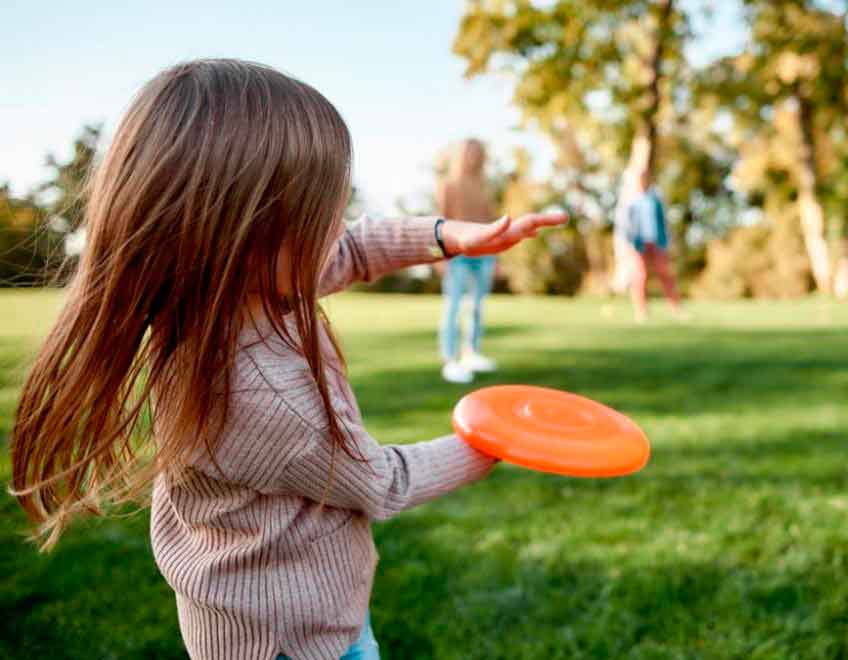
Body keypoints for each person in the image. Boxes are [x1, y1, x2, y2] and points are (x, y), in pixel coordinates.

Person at [7, 59, 565, 660]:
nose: (338, 226)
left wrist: (446, 235)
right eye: (321, 213)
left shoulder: (221, 290)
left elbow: (352, 248)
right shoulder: (260, 395)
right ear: (250, 232)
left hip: (268, 614)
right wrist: (492, 440)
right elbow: (380, 482)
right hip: (289, 642)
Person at [436, 139, 498, 384]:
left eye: (478, 152)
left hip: (483, 254)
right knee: (452, 306)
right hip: (457, 254)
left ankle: (471, 353)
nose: (474, 156)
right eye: (469, 152)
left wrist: (497, 256)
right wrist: (439, 257)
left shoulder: (484, 186)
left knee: (476, 307)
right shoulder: (448, 185)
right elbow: (439, 222)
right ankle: (450, 360)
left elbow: (490, 222)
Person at [614, 167, 683, 322]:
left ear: (648, 181)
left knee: (665, 274)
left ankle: (675, 308)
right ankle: (641, 311)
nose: (642, 182)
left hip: (657, 242)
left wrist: (667, 241)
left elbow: (663, 222)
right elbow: (626, 225)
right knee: (640, 276)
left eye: (645, 179)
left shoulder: (655, 200)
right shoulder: (631, 201)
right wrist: (628, 244)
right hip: (639, 244)